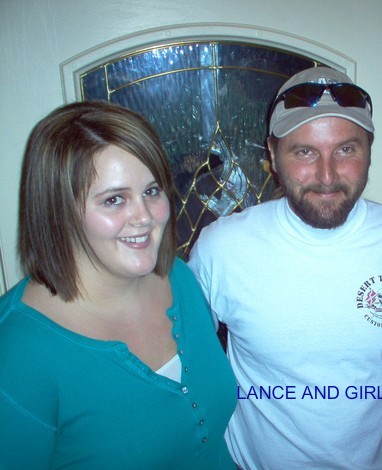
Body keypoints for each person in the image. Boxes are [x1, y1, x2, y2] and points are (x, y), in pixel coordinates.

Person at [187, 66, 382, 468]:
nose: (327, 175)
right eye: (304, 152)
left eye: (346, 150)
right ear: (273, 155)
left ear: (369, 151)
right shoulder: (221, 248)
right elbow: (179, 364)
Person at [0, 101, 237, 468]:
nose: (145, 217)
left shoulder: (178, 277)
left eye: (152, 191)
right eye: (114, 199)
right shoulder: (16, 352)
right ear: (58, 209)